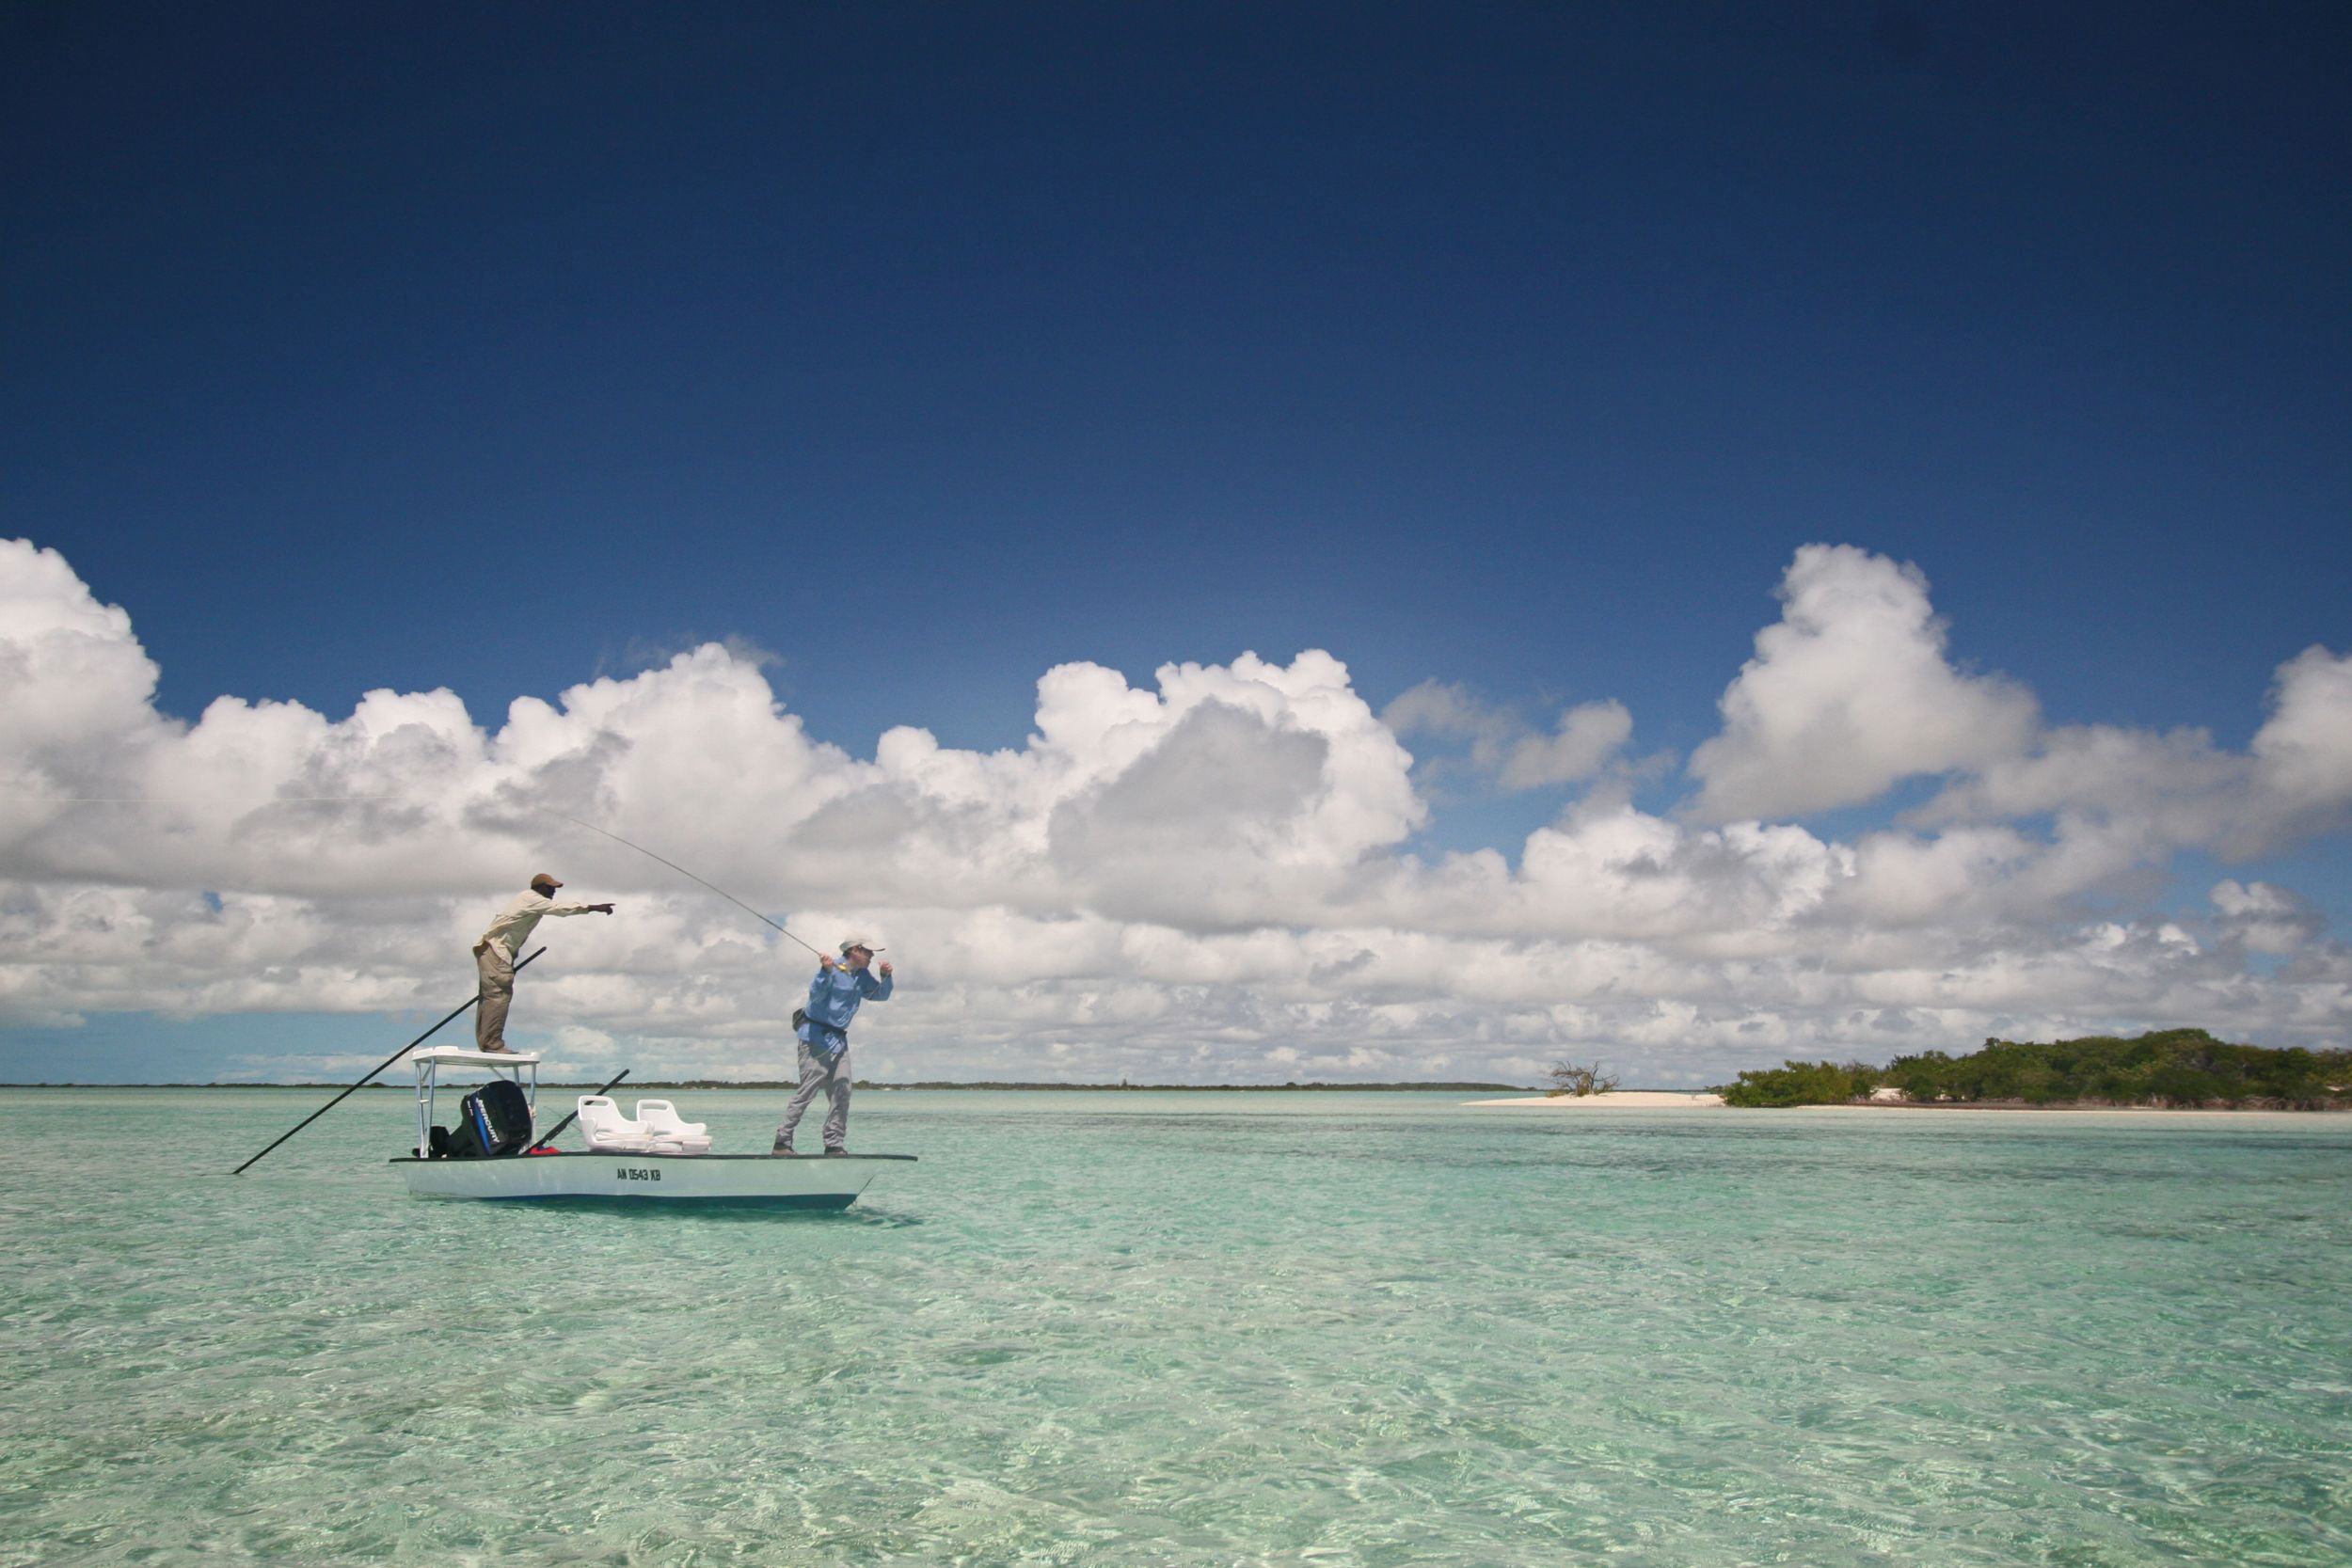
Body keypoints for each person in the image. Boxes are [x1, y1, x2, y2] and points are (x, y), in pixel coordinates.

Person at [773, 937, 894, 1155]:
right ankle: (782, 1141)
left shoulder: (862, 975)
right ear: (855, 951)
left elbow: (879, 995)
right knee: (808, 1090)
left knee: (843, 1089)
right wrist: (825, 971)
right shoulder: (831, 969)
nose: (872, 956)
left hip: (839, 1040)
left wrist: (886, 977)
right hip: (814, 1038)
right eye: (868, 952)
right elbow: (816, 995)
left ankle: (834, 1143)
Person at [471, 873, 614, 1053]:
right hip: (495, 951)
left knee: (491, 997)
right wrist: (593, 907)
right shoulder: (532, 898)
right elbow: (560, 908)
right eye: (550, 887)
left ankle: (487, 1042)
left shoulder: (528, 900)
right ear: (539, 887)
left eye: (554, 888)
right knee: (499, 995)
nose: (553, 891)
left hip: (492, 951)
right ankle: (492, 1044)